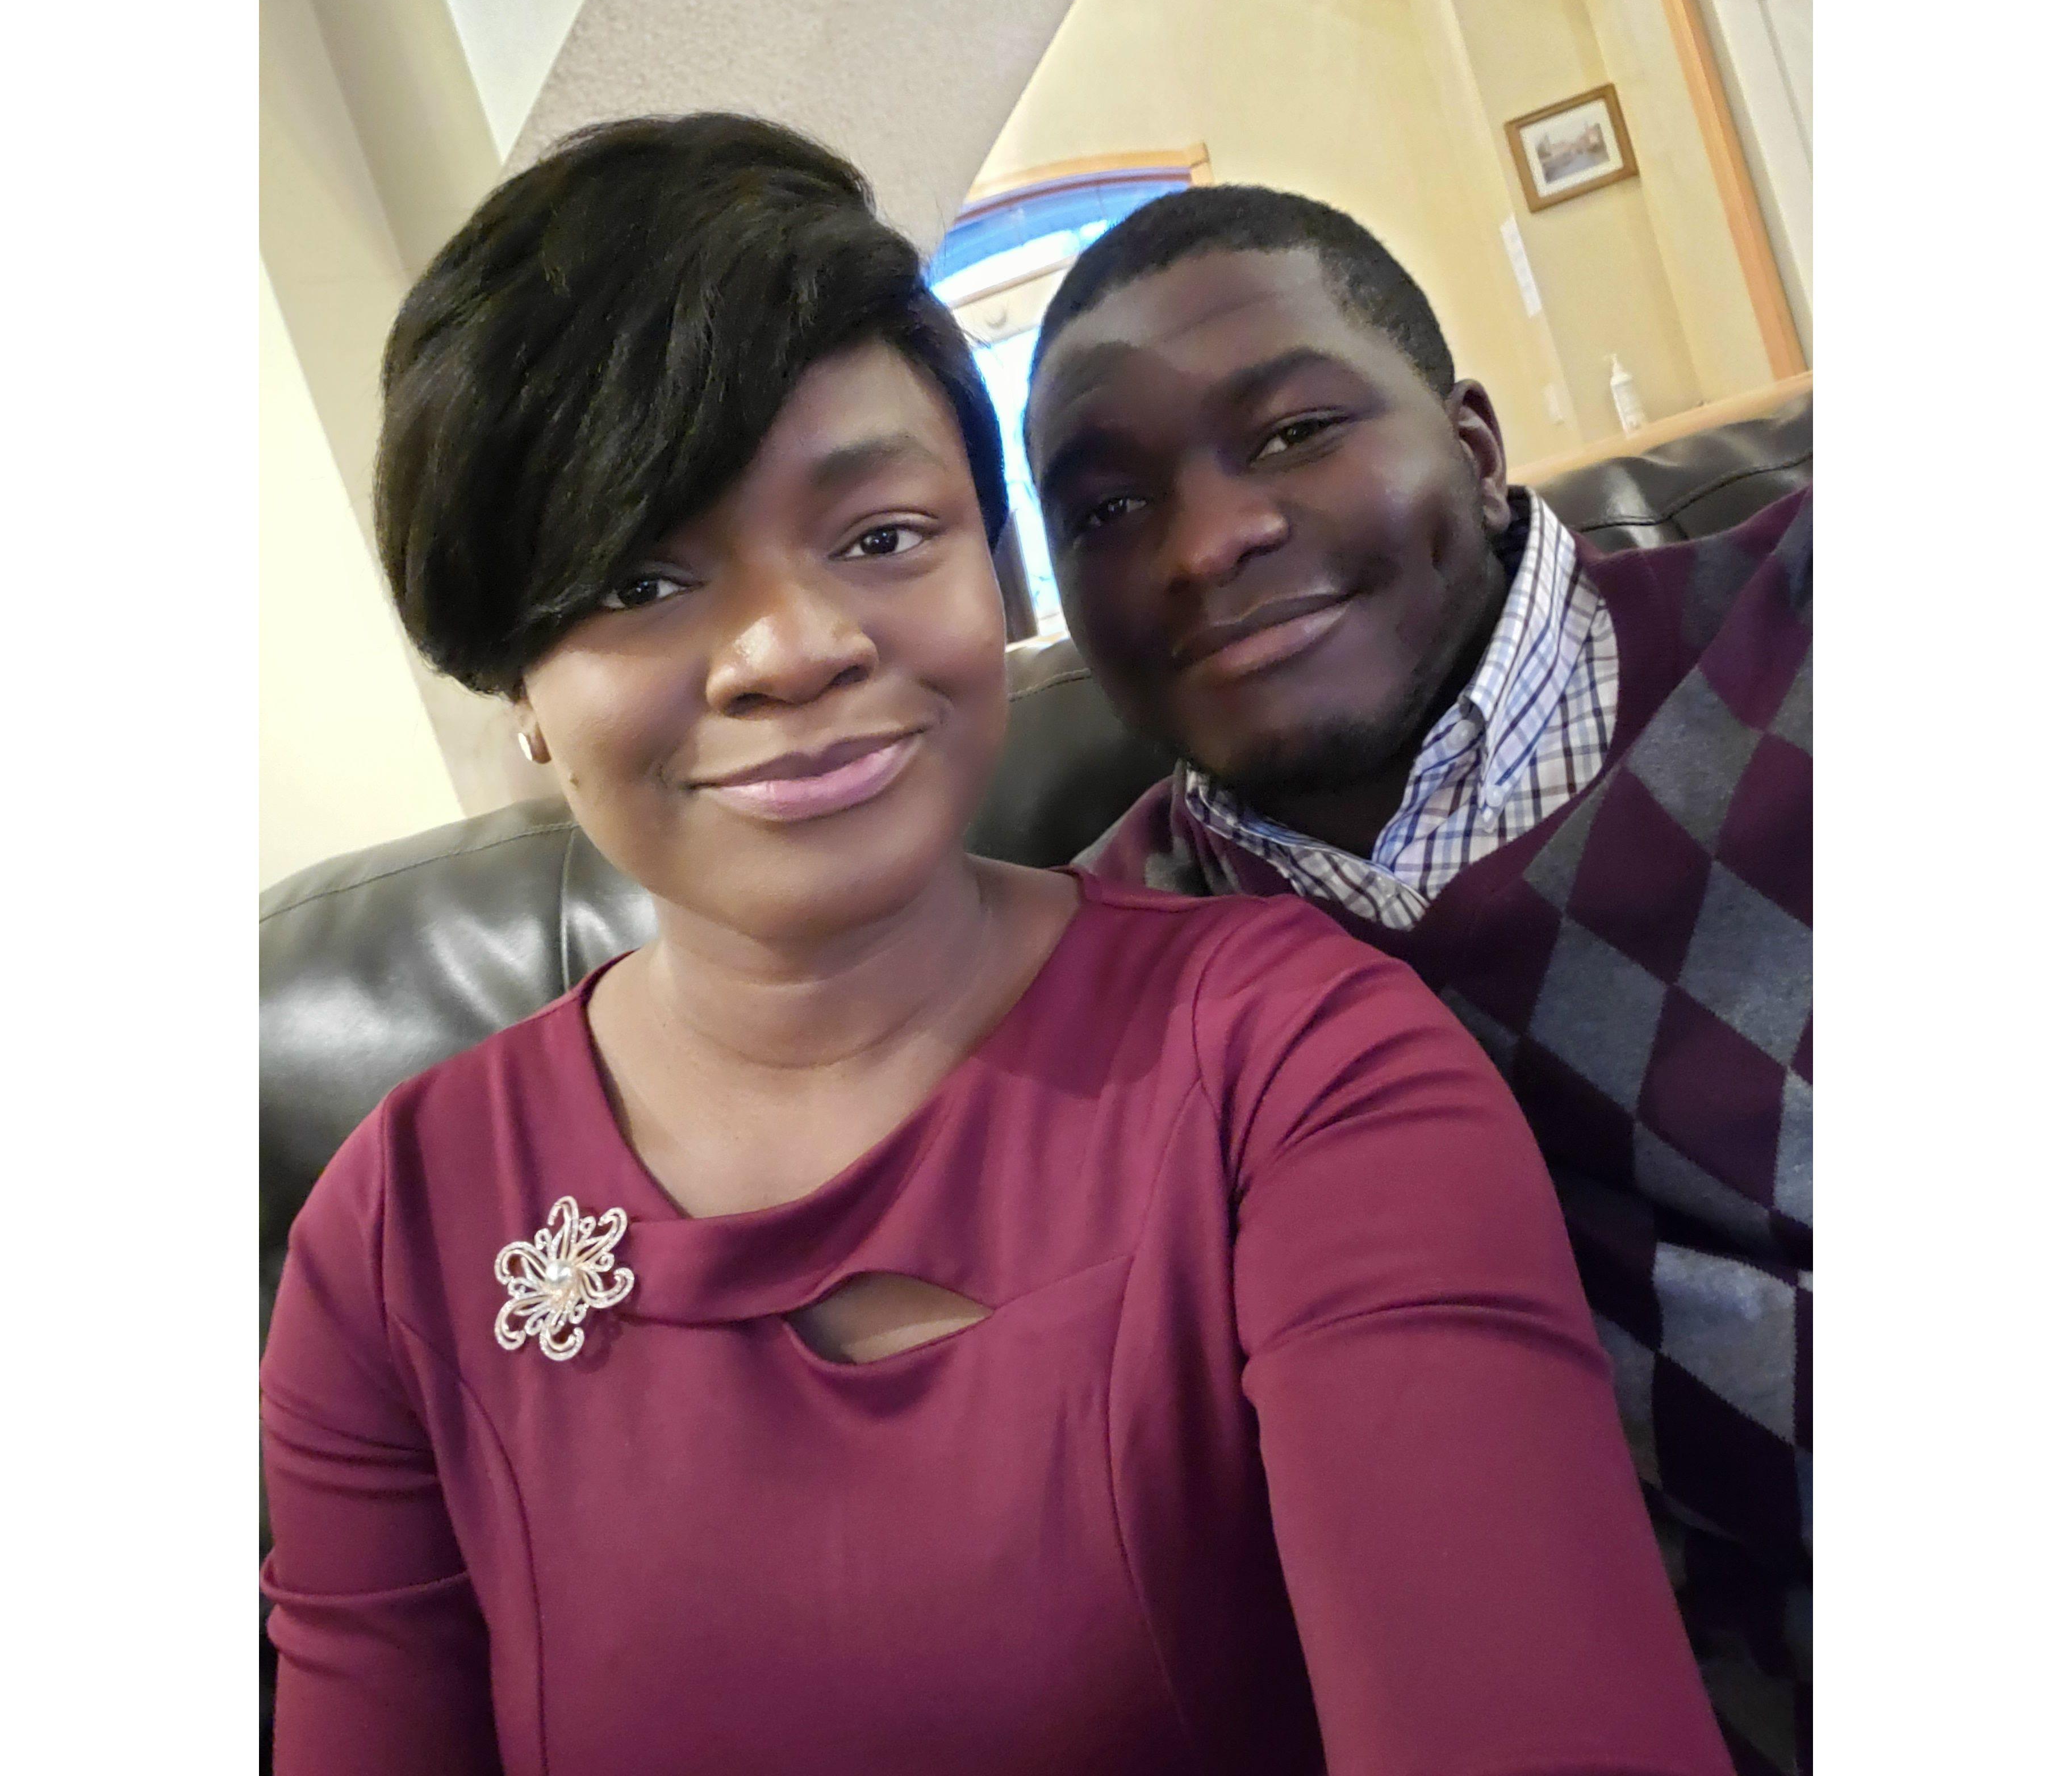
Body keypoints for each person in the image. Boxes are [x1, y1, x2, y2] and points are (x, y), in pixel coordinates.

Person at [260, 115, 1732, 1776]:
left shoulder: (1296, 1058)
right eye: (642, 578)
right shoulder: (389, 1240)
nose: (793, 649)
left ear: (998, 578)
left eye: (882, 536)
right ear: (520, 686)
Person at [1024, 185, 1811, 1776]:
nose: (1208, 543)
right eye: (1106, 511)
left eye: (1296, 432)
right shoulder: (1094, 986)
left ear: (1472, 444)